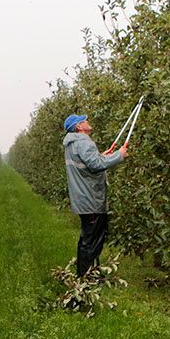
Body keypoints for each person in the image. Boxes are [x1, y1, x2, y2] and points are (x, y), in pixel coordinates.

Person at [62, 113, 128, 276]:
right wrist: (119, 155)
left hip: (82, 199)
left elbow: (89, 164)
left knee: (88, 238)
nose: (87, 121)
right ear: (79, 127)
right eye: (84, 120)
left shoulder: (72, 144)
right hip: (91, 199)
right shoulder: (83, 142)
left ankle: (89, 274)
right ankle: (86, 278)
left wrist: (102, 156)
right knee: (92, 240)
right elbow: (96, 165)